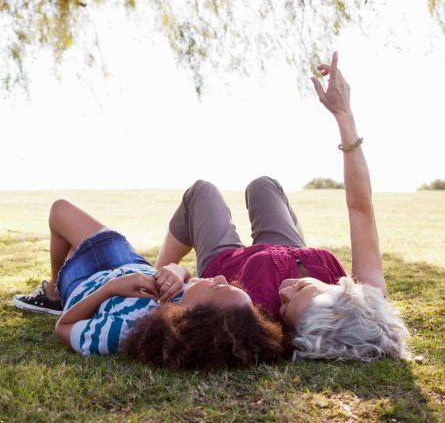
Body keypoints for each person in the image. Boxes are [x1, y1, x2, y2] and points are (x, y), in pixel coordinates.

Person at [154, 52, 409, 362]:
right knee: (264, 186)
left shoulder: (256, 315)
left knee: (202, 193)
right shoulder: (366, 297)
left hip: (228, 266)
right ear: (340, 293)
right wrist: (344, 115)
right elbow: (360, 208)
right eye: (301, 289)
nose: (285, 292)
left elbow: (204, 306)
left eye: (285, 309)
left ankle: (153, 282)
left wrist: (175, 278)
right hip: (287, 250)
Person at [12, 199, 287, 368]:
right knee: (61, 215)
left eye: (218, 286)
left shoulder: (125, 331)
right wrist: (178, 272)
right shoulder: (185, 298)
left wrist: (110, 288)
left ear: (194, 319)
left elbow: (64, 327)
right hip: (127, 259)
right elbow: (190, 276)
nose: (220, 277)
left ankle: (54, 292)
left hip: (85, 281)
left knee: (62, 222)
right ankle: (53, 286)